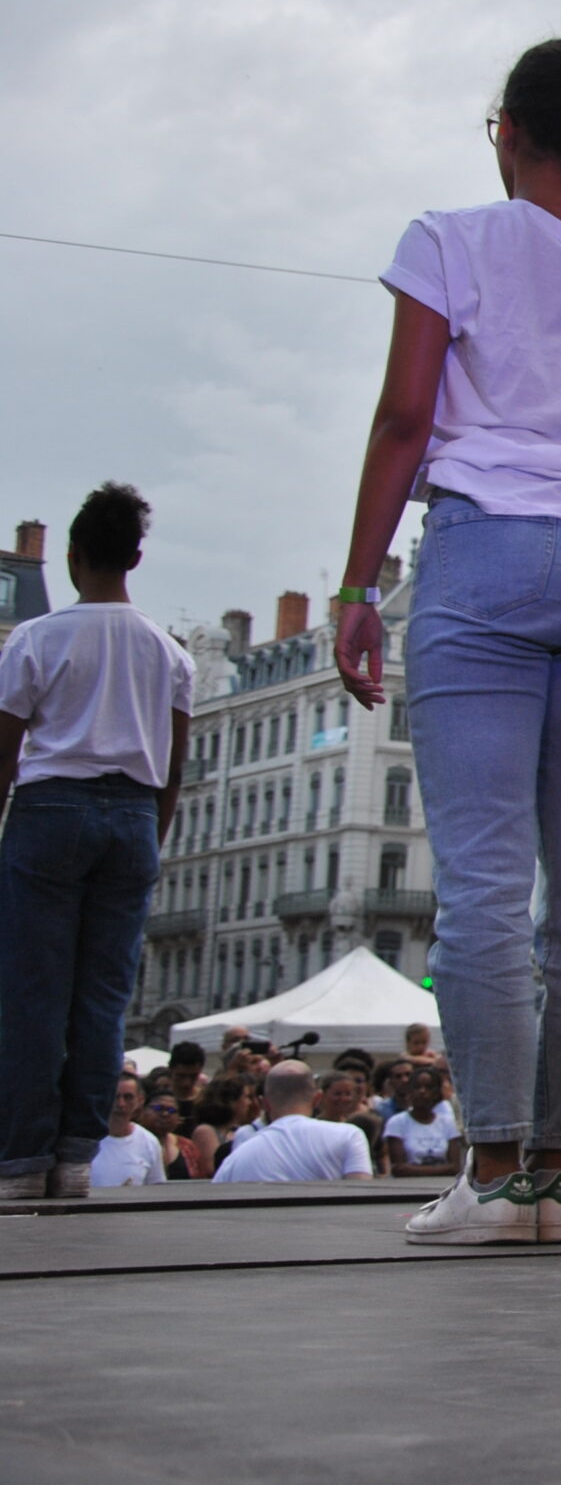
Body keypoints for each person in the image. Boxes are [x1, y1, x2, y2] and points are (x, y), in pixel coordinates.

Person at [335, 36, 561, 1247]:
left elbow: (403, 418)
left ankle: (487, 1172)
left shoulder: (450, 242)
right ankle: (558, 1183)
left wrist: (356, 586)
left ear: (508, 132)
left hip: (487, 551)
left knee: (483, 879)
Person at [0, 483, 195, 1202]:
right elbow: (176, 766)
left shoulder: (37, 637)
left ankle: (21, 1161)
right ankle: (77, 1157)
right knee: (103, 998)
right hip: (135, 815)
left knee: (31, 993)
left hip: (51, 807)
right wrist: (152, 835)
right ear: (135, 558)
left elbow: (4, 751)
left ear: (74, 556)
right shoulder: (168, 652)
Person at [212, 1063, 373, 1183]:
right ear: (317, 1099)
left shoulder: (234, 1160)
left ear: (264, 1104)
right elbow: (361, 1197)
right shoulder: (350, 1136)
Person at [88, 1075, 167, 1189]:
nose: (121, 1104)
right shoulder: (86, 1139)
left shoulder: (149, 1142)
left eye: (128, 1097)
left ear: (140, 1100)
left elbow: (156, 1188)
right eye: (115, 1097)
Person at [382, 1067, 463, 1179]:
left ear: (437, 1093)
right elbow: (399, 1168)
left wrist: (413, 1169)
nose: (422, 1091)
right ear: (409, 1091)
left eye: (429, 1087)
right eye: (417, 1087)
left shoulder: (448, 1123)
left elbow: (455, 1167)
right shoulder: (396, 1123)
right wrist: (442, 1169)